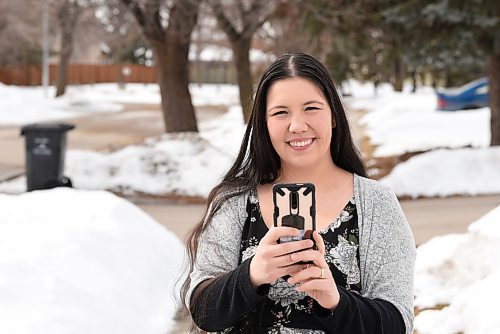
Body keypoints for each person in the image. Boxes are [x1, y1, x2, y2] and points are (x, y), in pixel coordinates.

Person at [182, 53, 415, 333]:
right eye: (281, 112)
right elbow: (203, 312)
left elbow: (397, 323)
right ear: (264, 125)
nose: (297, 126)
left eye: (311, 108)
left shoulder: (376, 203)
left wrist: (336, 301)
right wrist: (253, 274)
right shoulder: (234, 202)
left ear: (333, 116)